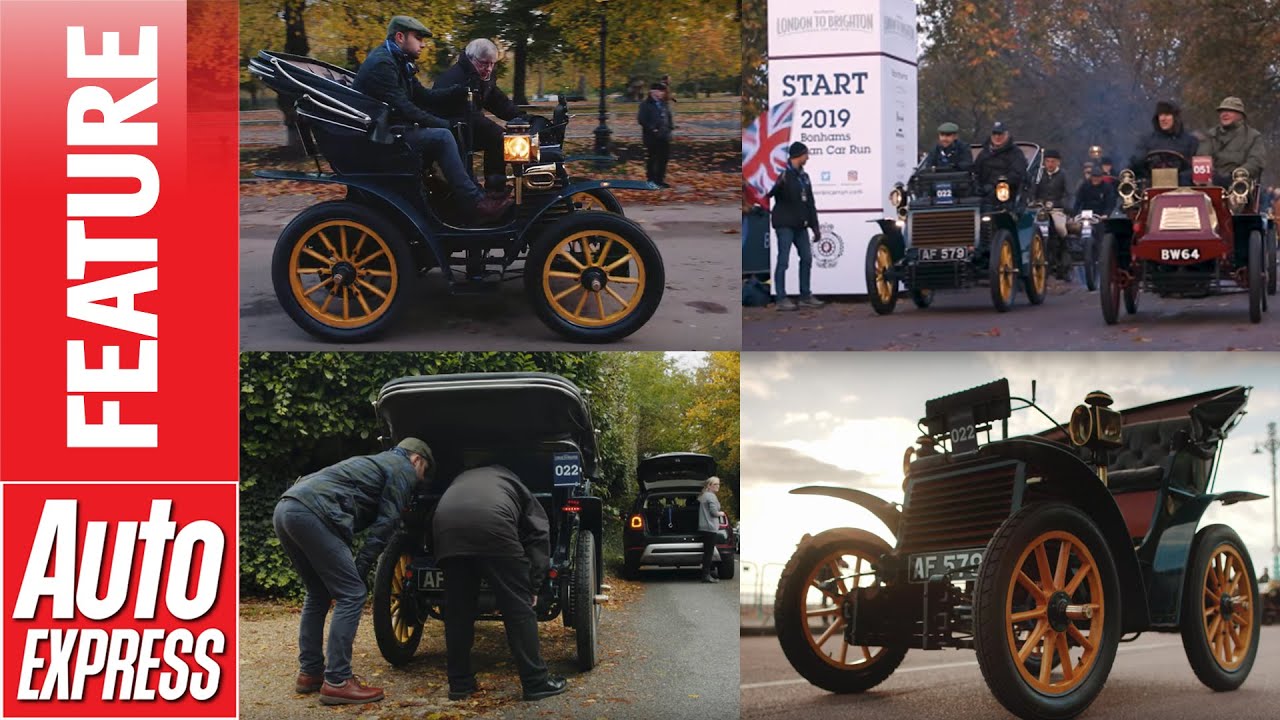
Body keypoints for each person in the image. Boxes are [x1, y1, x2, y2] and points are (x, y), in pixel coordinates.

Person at [272, 438, 434, 705]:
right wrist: (362, 565)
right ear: (416, 459)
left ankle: (310, 672)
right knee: (352, 593)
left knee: (318, 593)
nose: (420, 479)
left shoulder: (374, 462)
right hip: (312, 512)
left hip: (286, 508)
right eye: (424, 472)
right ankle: (337, 680)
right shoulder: (403, 467)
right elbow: (388, 522)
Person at [431, 465, 567, 702]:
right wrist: (533, 586)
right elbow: (538, 532)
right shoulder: (515, 484)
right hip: (493, 527)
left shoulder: (460, 479)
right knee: (518, 608)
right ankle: (536, 682)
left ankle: (460, 684)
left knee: (458, 613)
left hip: (447, 531)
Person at [353, 17, 510, 222]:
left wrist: (459, 91)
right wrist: (443, 124)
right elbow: (407, 109)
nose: (423, 44)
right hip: (382, 138)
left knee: (450, 131)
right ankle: (475, 203)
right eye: (418, 38)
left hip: (389, 129)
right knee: (443, 136)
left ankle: (466, 196)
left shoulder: (398, 61)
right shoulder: (383, 63)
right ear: (400, 37)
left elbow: (424, 96)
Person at [432, 39, 521, 192]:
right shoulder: (456, 79)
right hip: (450, 130)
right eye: (484, 63)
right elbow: (469, 115)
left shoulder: (482, 76)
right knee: (497, 138)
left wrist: (521, 117)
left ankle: (495, 189)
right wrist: (499, 132)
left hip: (466, 127)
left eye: (492, 64)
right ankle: (484, 193)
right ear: (471, 58)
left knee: (498, 139)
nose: (488, 68)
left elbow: (497, 101)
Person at [767, 141, 824, 311]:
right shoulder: (782, 174)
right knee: (783, 260)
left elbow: (810, 203)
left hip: (801, 224)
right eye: (806, 154)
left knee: (806, 258)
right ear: (798, 155)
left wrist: (815, 227)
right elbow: (769, 193)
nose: (808, 157)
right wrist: (778, 185)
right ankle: (781, 297)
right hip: (785, 223)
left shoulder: (804, 177)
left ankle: (805, 295)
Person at [1198, 96, 1266, 187]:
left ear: (1240, 115)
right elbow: (1202, 158)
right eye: (1222, 111)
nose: (1224, 114)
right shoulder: (1211, 135)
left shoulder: (1253, 136)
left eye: (1230, 111)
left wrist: (1239, 173)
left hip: (1239, 182)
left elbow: (1256, 161)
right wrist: (1212, 175)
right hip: (1212, 181)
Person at [1127, 100, 1198, 184]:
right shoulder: (1147, 141)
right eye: (1160, 115)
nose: (1163, 119)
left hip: (1182, 189)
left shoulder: (1190, 141)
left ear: (1175, 118)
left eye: (1167, 115)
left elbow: (1197, 168)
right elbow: (1135, 164)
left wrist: (1180, 177)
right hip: (1151, 187)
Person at [974, 122, 1027, 209]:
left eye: (1000, 134)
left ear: (1007, 135)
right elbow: (976, 172)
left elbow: (1017, 175)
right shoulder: (984, 153)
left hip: (1006, 193)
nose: (997, 137)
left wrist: (996, 184)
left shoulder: (1015, 153)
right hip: (984, 191)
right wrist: (977, 187)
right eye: (994, 134)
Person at [637, 81, 674, 187]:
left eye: (662, 91)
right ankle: (651, 179)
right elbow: (642, 120)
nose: (661, 93)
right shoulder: (645, 104)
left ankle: (660, 180)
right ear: (652, 91)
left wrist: (670, 128)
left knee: (663, 159)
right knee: (653, 158)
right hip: (652, 137)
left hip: (664, 135)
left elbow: (669, 117)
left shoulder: (664, 104)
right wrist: (653, 129)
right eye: (659, 91)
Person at [1035, 149, 1069, 239]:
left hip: (1056, 210)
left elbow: (1068, 194)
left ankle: (1065, 247)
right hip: (1039, 209)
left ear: (1058, 162)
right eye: (1047, 161)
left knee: (1060, 228)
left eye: (1053, 161)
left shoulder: (1063, 175)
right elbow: (1032, 190)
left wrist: (1059, 204)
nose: (1050, 164)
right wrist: (1036, 202)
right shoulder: (1038, 174)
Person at [697, 476, 724, 583]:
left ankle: (707, 573)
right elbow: (714, 512)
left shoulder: (703, 496)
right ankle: (706, 576)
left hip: (703, 527)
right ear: (709, 485)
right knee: (709, 553)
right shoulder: (711, 496)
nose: (718, 486)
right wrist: (721, 513)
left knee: (707, 552)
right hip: (710, 528)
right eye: (715, 484)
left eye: (719, 484)